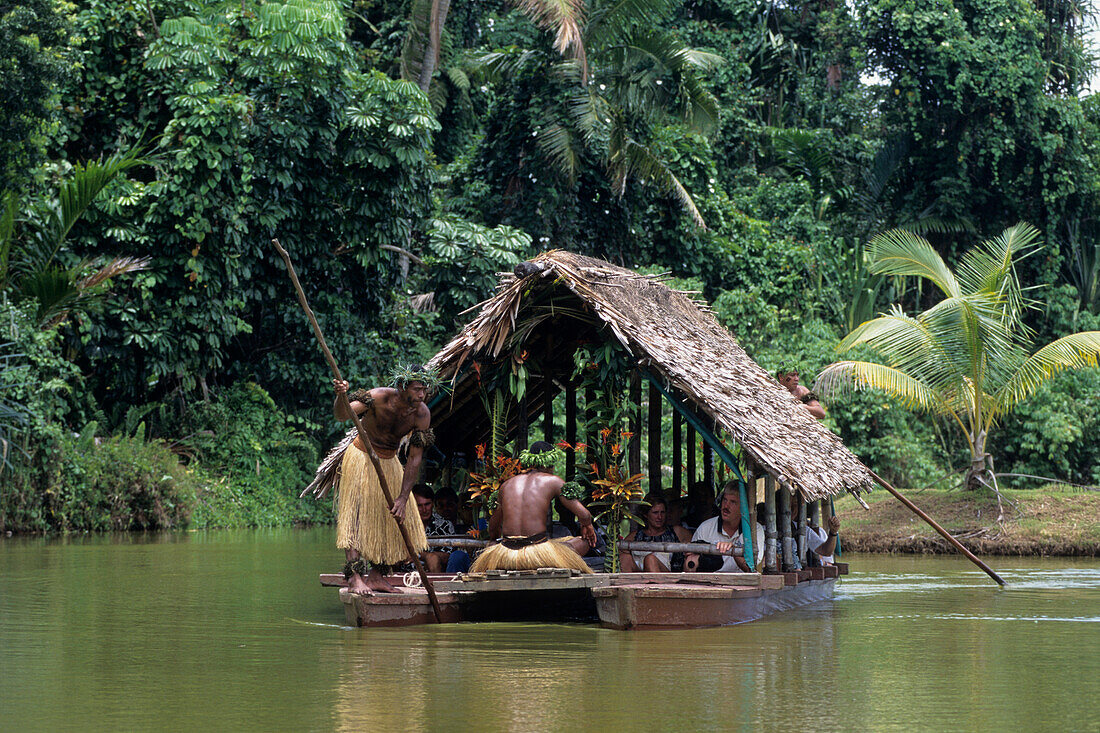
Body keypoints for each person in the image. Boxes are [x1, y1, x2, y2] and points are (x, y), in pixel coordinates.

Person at [327, 364, 440, 594]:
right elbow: (341, 414)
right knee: (355, 519)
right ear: (401, 386)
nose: (422, 395)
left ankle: (377, 576)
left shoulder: (421, 414)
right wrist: (341, 396)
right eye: (417, 389)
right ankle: (355, 577)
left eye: (424, 390)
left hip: (390, 462)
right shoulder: (378, 397)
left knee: (397, 519)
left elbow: (415, 458)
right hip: (361, 456)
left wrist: (402, 496)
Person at [470, 441, 598, 573]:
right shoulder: (552, 480)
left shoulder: (506, 485)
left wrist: (494, 541)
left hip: (506, 555)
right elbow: (584, 515)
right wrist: (587, 526)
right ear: (549, 462)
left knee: (491, 545)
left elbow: (493, 528)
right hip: (538, 556)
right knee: (583, 542)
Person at [685, 482, 753, 573]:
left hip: (744, 584)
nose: (726, 506)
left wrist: (733, 551)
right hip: (709, 584)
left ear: (744, 507)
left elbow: (753, 570)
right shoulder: (705, 528)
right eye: (725, 500)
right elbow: (689, 567)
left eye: (733, 502)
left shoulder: (754, 530)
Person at [619, 495, 692, 572]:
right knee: (625, 558)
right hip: (641, 579)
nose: (659, 517)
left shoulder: (678, 532)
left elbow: (694, 554)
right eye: (655, 513)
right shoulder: (634, 536)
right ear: (646, 514)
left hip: (669, 579)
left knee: (650, 559)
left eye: (662, 512)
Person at [411, 484, 455, 573]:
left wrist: (422, 555)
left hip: (434, 572)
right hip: (407, 575)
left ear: (433, 504)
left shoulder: (445, 525)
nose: (424, 510)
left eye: (427, 504)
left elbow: (448, 556)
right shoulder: (404, 525)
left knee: (432, 558)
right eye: (419, 505)